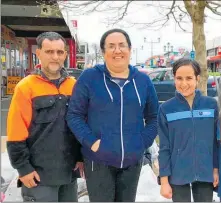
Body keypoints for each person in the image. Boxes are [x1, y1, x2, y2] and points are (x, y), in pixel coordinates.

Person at [66, 28, 159, 202]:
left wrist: (142, 142)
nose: (117, 50)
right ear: (103, 52)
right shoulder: (90, 78)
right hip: (98, 161)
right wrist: (92, 143)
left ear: (130, 50)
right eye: (111, 46)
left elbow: (154, 117)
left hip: (132, 161)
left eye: (122, 45)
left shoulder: (143, 81)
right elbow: (74, 115)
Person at [6, 32, 83, 202]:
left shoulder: (73, 86)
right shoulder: (26, 87)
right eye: (49, 52)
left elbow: (79, 127)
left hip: (69, 175)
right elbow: (15, 133)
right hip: (38, 177)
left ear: (65, 54)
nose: (55, 57)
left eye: (59, 52)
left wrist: (80, 158)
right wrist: (23, 168)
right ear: (38, 53)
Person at [158, 58, 219, 202]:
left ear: (197, 78)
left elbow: (216, 142)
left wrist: (216, 169)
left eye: (189, 78)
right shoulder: (166, 109)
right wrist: (164, 180)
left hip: (205, 171)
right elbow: (164, 147)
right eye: (179, 78)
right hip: (178, 173)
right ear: (174, 79)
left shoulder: (211, 105)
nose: (184, 83)